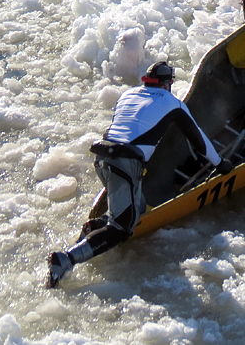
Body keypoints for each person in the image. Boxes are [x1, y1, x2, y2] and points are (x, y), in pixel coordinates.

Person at [45, 61, 232, 288]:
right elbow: (198, 138)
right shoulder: (174, 104)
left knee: (137, 208)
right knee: (122, 229)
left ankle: (95, 228)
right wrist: (220, 164)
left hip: (102, 157)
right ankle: (66, 258)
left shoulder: (128, 94)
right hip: (126, 163)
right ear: (166, 84)